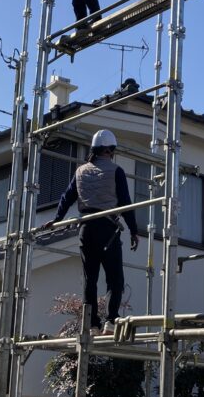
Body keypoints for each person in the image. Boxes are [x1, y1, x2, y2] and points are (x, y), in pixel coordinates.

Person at [43, 129, 138, 336]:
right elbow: (125, 202)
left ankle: (92, 324)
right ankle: (111, 321)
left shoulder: (80, 171)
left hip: (86, 228)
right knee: (115, 278)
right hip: (107, 228)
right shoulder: (116, 171)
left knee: (90, 278)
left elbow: (66, 197)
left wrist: (57, 219)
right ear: (109, 150)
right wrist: (133, 230)